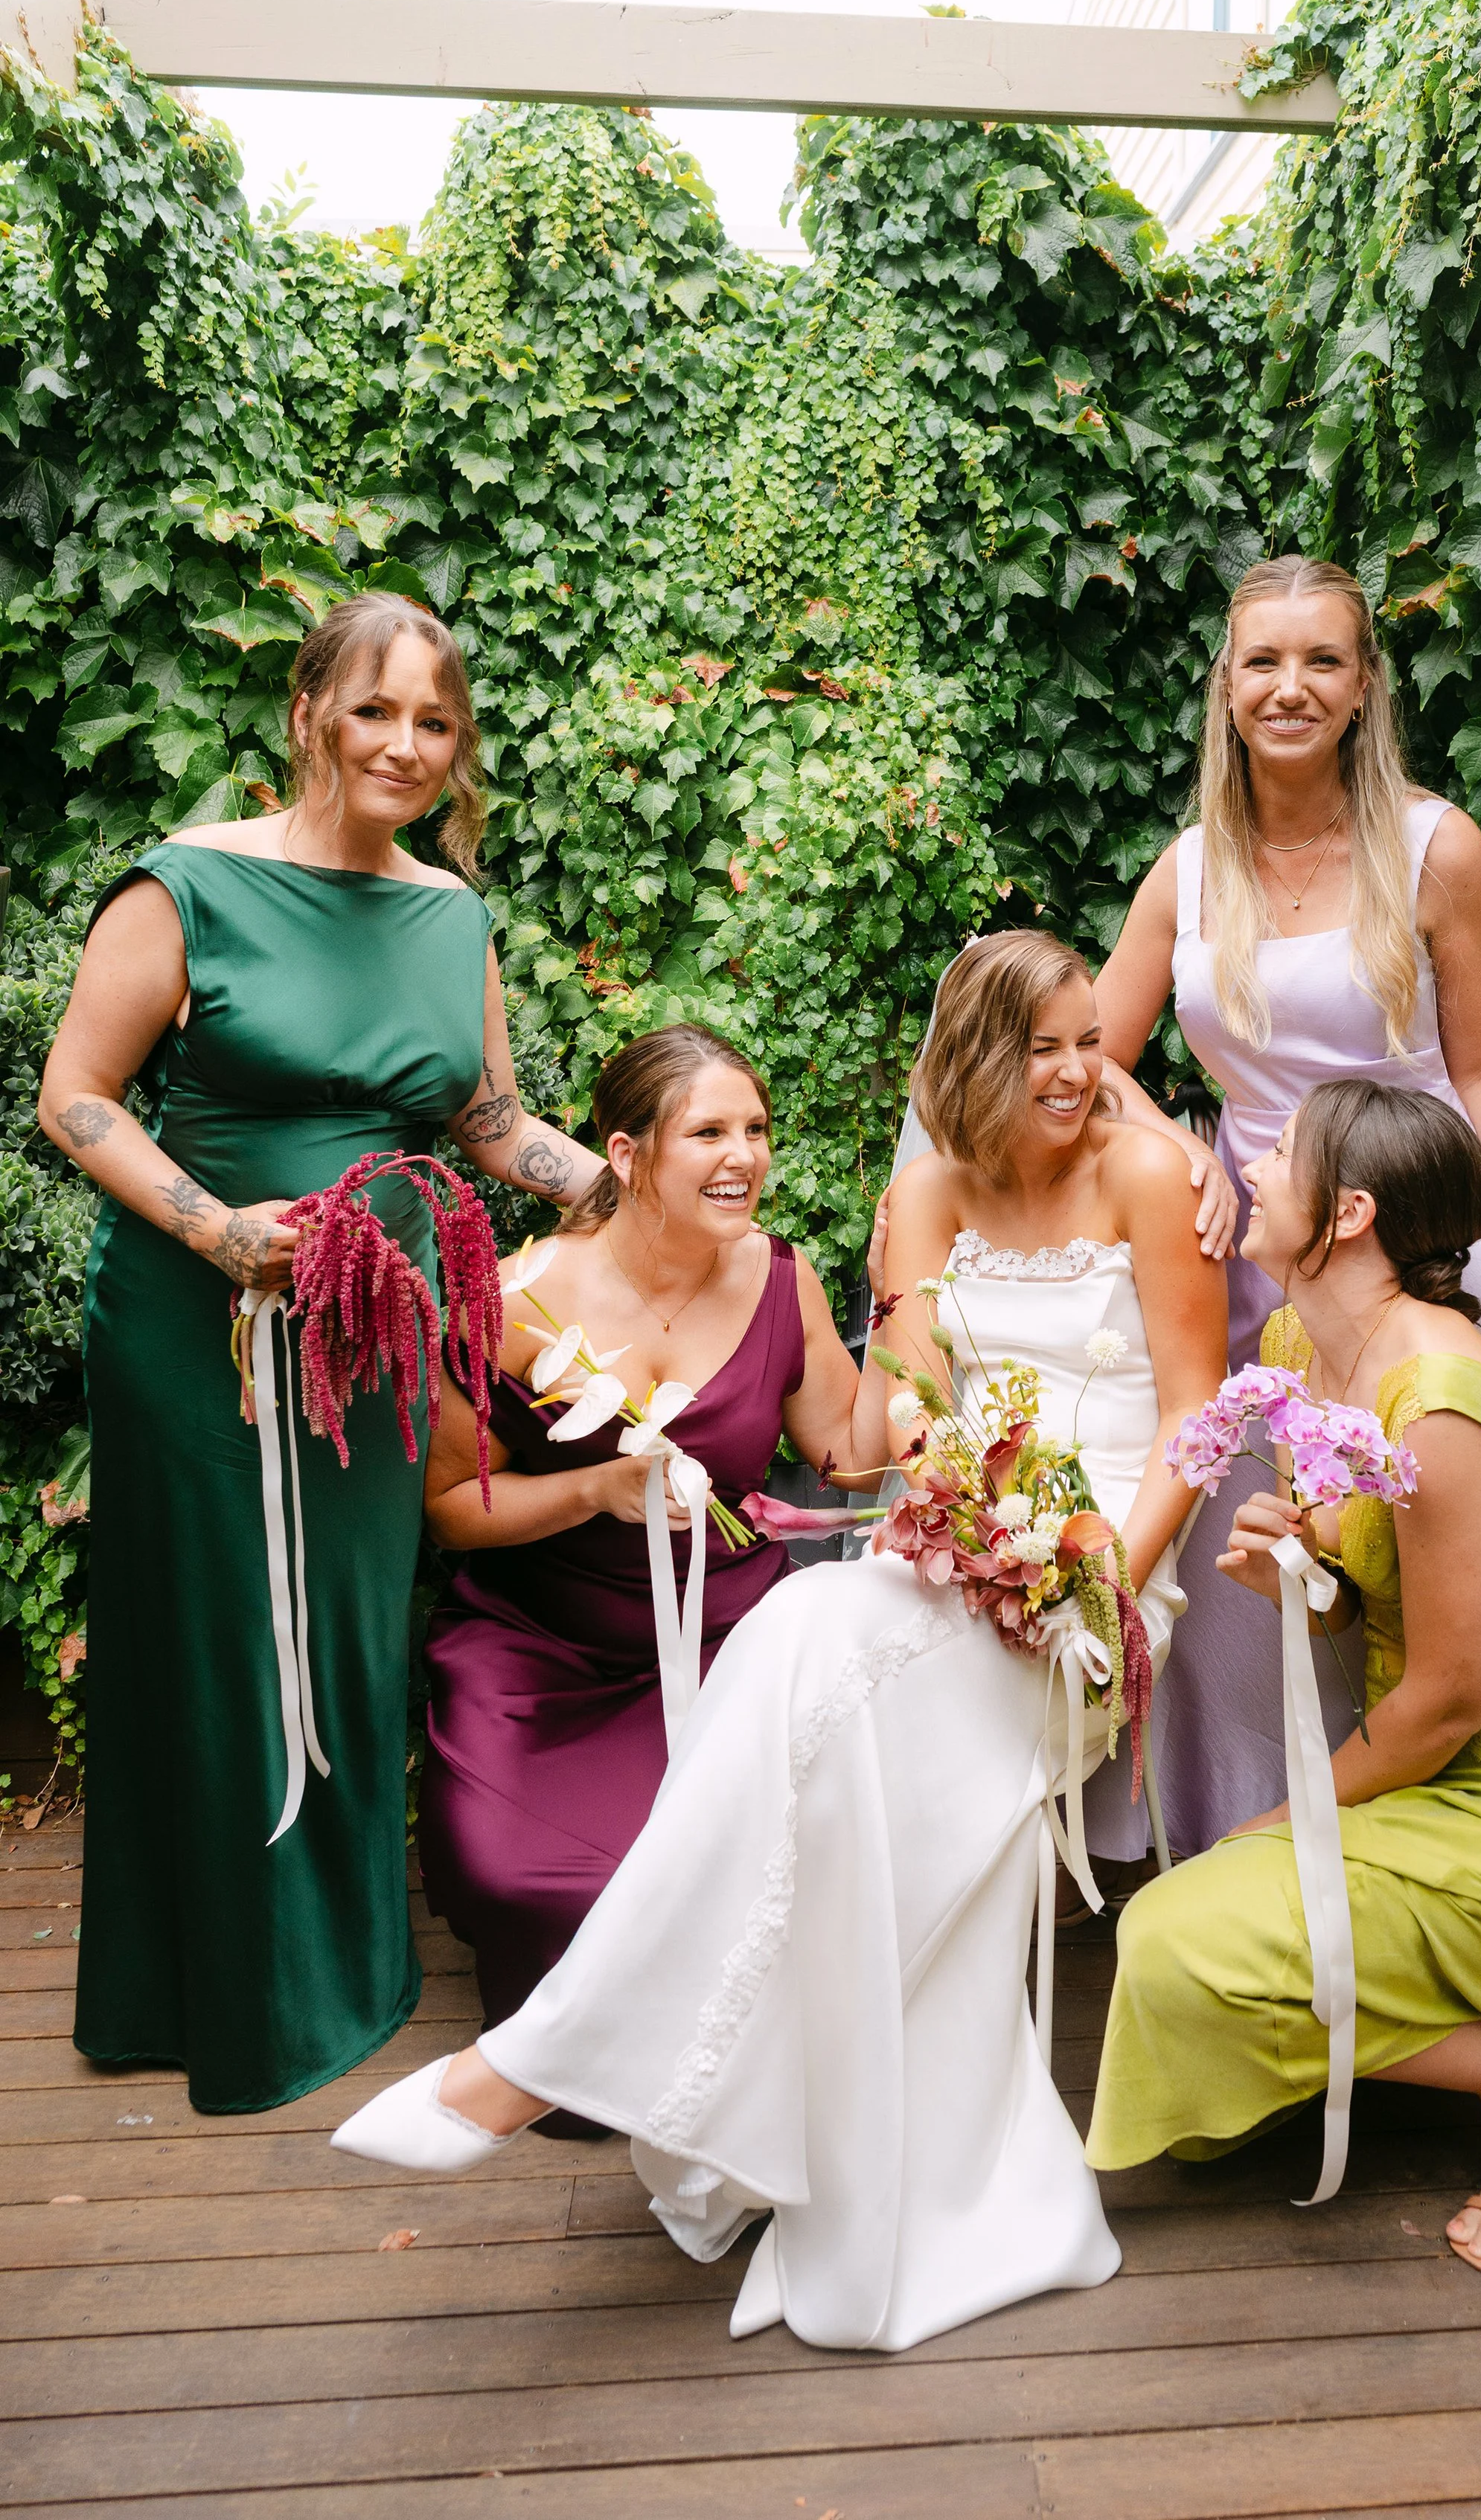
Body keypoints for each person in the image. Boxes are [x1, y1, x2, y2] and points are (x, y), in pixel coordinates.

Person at [333, 929, 1229, 2353]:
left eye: (1088, 1040)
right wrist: (910, 1391)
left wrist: (1102, 1580)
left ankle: (530, 2063)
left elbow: (1197, 1409)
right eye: (1043, 1044)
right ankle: (663, 2091)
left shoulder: (1152, 1179)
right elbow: (902, 1425)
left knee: (810, 1641)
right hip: (964, 1539)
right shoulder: (925, 1188)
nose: (1077, 1069)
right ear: (977, 1057)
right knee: (813, 1636)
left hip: (1109, 1565)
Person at [39, 591, 604, 2115]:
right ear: (309, 715)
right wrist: (219, 1231)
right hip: (197, 1320)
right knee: (224, 1635)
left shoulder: (449, 914)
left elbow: (485, 1123)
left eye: (434, 720)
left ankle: (337, 1972)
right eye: (376, 711)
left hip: (374, 1320)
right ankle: (209, 1990)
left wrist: (607, 1183)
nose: (405, 745)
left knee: (345, 1630)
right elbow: (76, 1098)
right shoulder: (188, 885)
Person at [1087, 1080, 1481, 2278]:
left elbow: (1453, 1696)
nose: (1248, 1164)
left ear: (1347, 1212)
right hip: (1438, 1777)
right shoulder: (1309, 1342)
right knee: (1211, 1919)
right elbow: (1381, 1592)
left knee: (1172, 1942)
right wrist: (1310, 1575)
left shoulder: (1439, 1403)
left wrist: (1285, 1821)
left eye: (1278, 1152)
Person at [1084, 552, 1481, 1860]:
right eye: (1264, 659)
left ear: (1366, 684)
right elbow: (1082, 1053)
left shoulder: (1438, 848)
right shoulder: (1188, 871)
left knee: (1438, 1590)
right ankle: (1254, 1865)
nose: (1291, 685)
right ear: (1227, 685)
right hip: (1256, 1255)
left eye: (1323, 659)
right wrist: (1185, 1152)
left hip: (1423, 1252)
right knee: (1262, 1579)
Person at [418, 1022, 896, 2075]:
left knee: (777, 1860)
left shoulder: (782, 1277)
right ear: (628, 1156)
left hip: (736, 1644)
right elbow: (451, 1505)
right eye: (710, 1132)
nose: (745, 1155)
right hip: (540, 1651)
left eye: (757, 1128)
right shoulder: (515, 1302)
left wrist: (908, 1339)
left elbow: (847, 1457)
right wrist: (594, 1486)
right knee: (533, 1879)